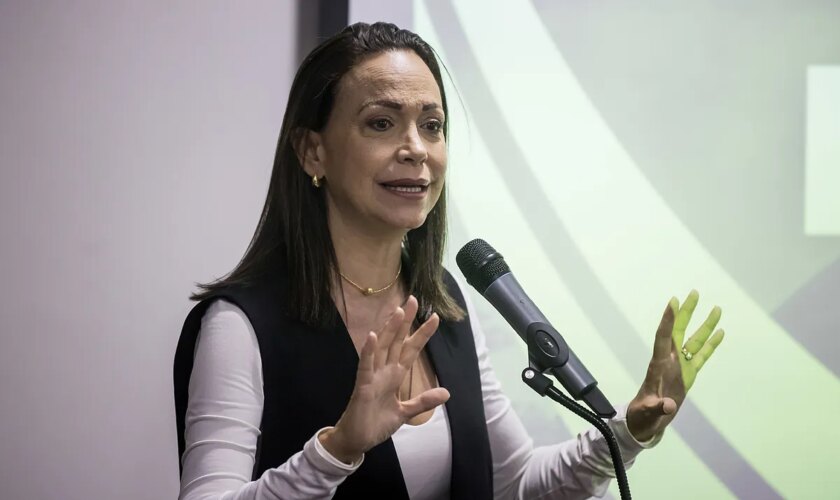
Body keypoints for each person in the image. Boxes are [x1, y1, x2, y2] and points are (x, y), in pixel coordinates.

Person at [173, 22, 725, 500]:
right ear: (312, 150)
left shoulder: (443, 300)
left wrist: (626, 431)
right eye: (381, 123)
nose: (416, 148)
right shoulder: (241, 325)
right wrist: (338, 449)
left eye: (432, 126)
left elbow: (515, 484)